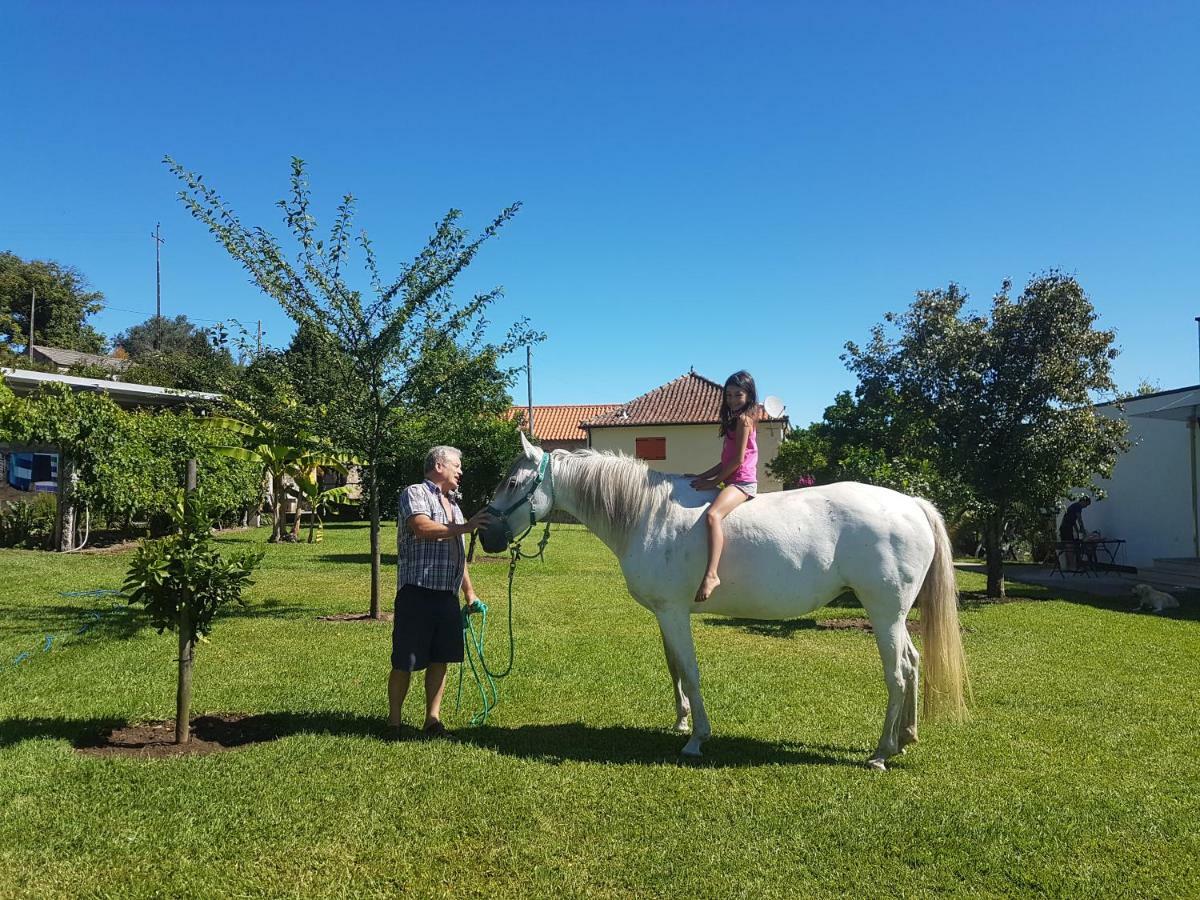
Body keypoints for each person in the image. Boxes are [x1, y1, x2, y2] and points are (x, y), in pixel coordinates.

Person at [388, 445, 490, 739]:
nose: (460, 471)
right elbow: (421, 527)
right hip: (416, 592)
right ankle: (393, 724)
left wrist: (469, 593)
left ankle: (432, 721)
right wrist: (466, 527)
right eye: (456, 465)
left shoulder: (453, 505)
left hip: (447, 596)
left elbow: (457, 552)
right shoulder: (415, 493)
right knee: (404, 661)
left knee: (440, 659)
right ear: (439, 466)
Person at [690, 370, 760, 603]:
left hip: (742, 482)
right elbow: (725, 461)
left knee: (712, 516)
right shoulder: (734, 418)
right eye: (728, 395)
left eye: (737, 395)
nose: (731, 399)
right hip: (732, 478)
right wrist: (701, 476)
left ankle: (711, 575)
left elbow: (738, 460)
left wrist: (713, 482)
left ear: (749, 395)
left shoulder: (744, 420)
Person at [1059, 496, 1092, 571]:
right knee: (1070, 547)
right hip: (1066, 528)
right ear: (1083, 501)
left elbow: (1074, 521)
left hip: (1067, 527)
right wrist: (1082, 528)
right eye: (1086, 504)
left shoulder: (1073, 506)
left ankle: (1072, 565)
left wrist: (1077, 531)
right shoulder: (1078, 506)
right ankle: (1072, 566)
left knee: (1071, 546)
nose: (1086, 507)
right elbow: (1079, 519)